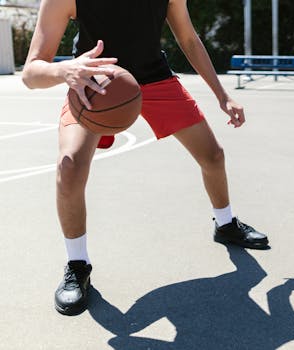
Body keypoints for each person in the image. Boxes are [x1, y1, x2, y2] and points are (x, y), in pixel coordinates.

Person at [22, 0, 269, 316]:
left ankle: (225, 225)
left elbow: (189, 38)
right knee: (68, 167)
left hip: (155, 79)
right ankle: (77, 264)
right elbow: (31, 72)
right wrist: (64, 70)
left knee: (213, 156)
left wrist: (223, 95)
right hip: (95, 84)